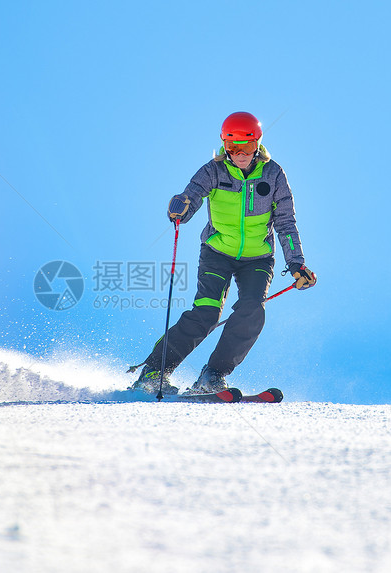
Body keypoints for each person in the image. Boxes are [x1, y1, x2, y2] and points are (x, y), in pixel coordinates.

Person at [130, 111, 316, 395]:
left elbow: (286, 223)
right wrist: (182, 208)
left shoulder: (273, 173)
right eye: (233, 147)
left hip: (258, 259)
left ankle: (213, 376)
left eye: (247, 147)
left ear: (258, 145)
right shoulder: (213, 171)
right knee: (206, 313)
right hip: (217, 253)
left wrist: (297, 264)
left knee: (253, 310)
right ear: (224, 145)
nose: (240, 154)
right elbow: (192, 194)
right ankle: (154, 372)